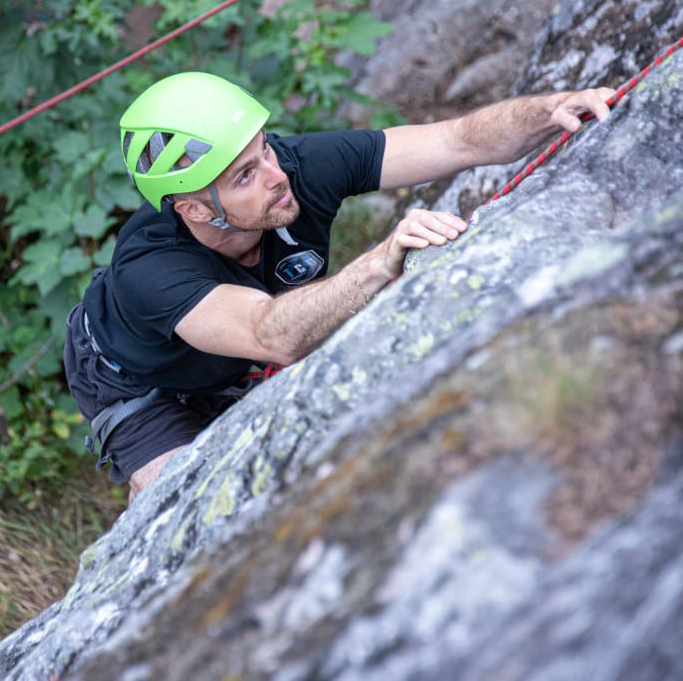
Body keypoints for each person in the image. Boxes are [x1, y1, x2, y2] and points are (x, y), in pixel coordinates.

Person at [63, 71, 613, 502]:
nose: (276, 175)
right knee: (175, 495)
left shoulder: (293, 169)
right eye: (243, 177)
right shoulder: (150, 266)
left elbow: (459, 141)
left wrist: (547, 110)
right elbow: (267, 334)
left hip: (234, 360)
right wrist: (378, 263)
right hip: (134, 382)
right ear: (191, 210)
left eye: (264, 151)